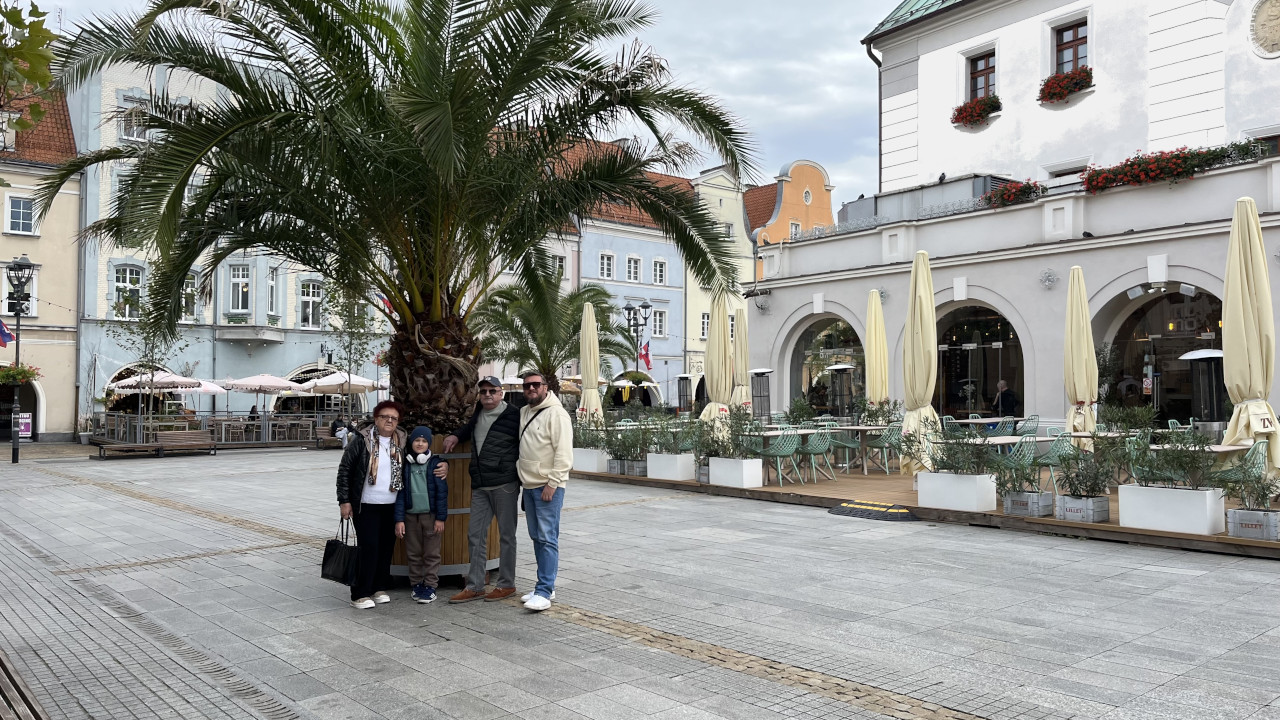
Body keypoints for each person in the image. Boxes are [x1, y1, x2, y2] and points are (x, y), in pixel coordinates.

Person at [335, 401, 444, 609]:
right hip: (366, 504)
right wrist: (344, 500)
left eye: (393, 418)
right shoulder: (361, 440)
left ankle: (377, 587)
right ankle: (359, 592)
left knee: (386, 548)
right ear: (376, 419)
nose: (389, 421)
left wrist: (443, 463)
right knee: (369, 547)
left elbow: (422, 457)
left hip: (392, 504)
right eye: (385, 417)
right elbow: (345, 470)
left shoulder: (401, 441)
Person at [442, 376, 522, 604]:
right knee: (475, 535)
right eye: (484, 391)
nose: (487, 395)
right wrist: (456, 435)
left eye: (492, 391)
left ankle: (506, 584)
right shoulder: (478, 412)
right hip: (480, 485)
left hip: (505, 484)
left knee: (507, 536)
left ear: (501, 393)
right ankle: (475, 586)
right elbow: (469, 429)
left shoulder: (514, 415)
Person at [515, 371, 572, 612]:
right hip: (529, 485)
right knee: (537, 537)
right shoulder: (524, 411)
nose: (531, 389)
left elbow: (564, 453)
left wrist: (553, 482)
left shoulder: (557, 414)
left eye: (536, 385)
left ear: (545, 387)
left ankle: (544, 590)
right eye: (527, 385)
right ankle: (545, 584)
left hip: (547, 486)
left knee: (548, 538)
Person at [394, 426, 449, 604]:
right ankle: (417, 584)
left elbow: (442, 494)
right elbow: (400, 494)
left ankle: (431, 585)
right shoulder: (406, 464)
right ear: (411, 443)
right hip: (410, 518)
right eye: (417, 440)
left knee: (432, 553)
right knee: (413, 553)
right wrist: (399, 519)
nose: (420, 443)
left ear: (429, 444)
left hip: (430, 517)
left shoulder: (436, 464)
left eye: (424, 441)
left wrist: (441, 518)